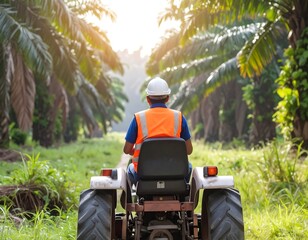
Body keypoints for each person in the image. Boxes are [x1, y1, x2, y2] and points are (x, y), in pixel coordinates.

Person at [123, 77, 193, 186]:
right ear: (168, 98)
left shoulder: (138, 118)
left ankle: (133, 197)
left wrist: (137, 151)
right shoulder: (178, 117)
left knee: (130, 168)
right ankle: (181, 197)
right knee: (189, 167)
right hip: (175, 173)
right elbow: (188, 150)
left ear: (147, 99)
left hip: (143, 175)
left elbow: (127, 149)